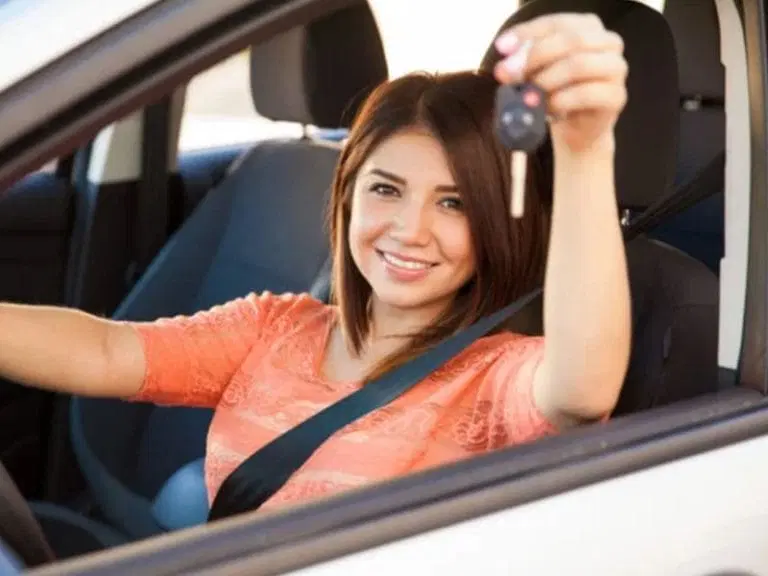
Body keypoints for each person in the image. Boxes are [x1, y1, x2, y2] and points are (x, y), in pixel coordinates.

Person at [0, 13, 630, 515]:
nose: (409, 231)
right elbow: (108, 351)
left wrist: (585, 148)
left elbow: (581, 393)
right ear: (348, 196)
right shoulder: (276, 328)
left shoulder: (495, 378)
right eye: (385, 189)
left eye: (454, 203)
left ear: (497, 223)